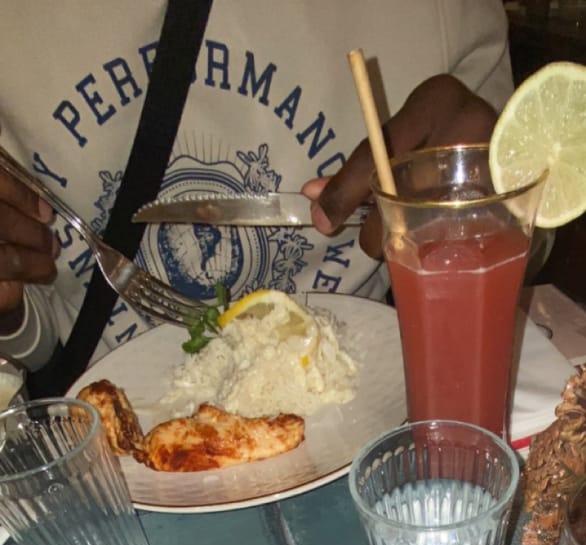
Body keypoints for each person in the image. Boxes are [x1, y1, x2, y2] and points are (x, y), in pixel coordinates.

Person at [0, 0, 512, 381]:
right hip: (97, 447)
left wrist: (490, 203)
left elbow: (531, 229)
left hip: (362, 404)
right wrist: (9, 308)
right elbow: (41, 336)